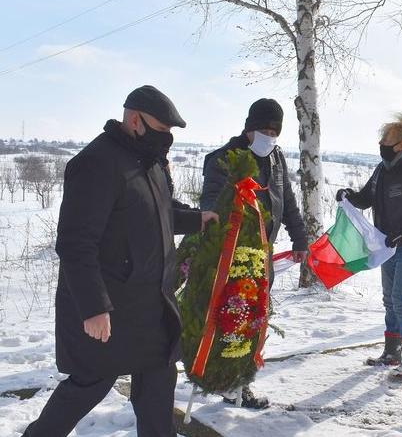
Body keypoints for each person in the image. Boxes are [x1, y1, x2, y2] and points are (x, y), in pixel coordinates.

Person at [24, 85, 219, 437]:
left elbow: (157, 213)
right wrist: (93, 307)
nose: (166, 140)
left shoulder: (149, 163)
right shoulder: (96, 163)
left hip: (150, 303)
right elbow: (75, 243)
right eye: (161, 131)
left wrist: (198, 219)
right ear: (134, 120)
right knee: (91, 383)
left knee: (159, 381)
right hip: (110, 306)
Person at [200, 97, 308, 408]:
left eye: (275, 131)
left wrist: (299, 238)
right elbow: (210, 203)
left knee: (254, 320)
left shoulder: (276, 159)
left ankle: (237, 381)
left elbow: (286, 201)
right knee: (233, 319)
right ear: (249, 127)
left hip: (263, 254)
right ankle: (228, 380)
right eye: (264, 129)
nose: (270, 136)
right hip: (233, 255)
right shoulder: (224, 158)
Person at [337, 113, 402, 380]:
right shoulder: (382, 169)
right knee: (390, 300)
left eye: (386, 139)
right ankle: (392, 353)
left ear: (401, 144)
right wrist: (349, 196)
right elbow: (366, 198)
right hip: (387, 245)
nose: (381, 143)